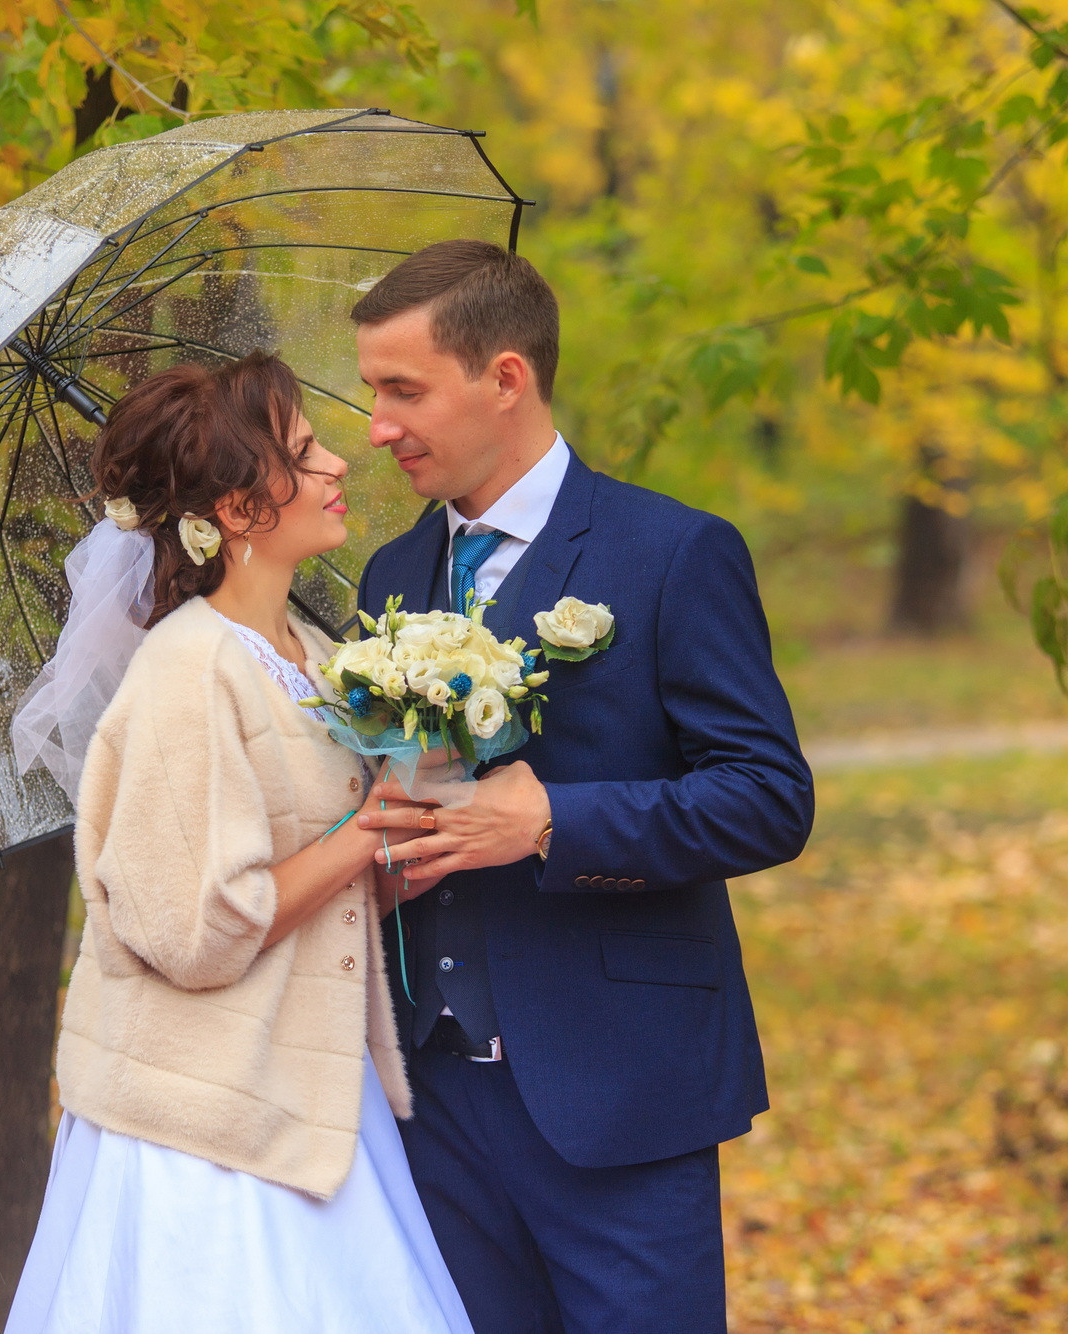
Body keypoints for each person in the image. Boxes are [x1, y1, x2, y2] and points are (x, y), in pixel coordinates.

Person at [350, 241, 816, 1334]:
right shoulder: (386, 574)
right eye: (372, 391)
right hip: (430, 1095)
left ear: (503, 378)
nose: (375, 425)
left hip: (616, 1088)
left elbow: (765, 795)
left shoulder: (672, 552)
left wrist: (554, 820)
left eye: (401, 389)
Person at [3, 354, 472, 1334]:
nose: (340, 462)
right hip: (207, 1127)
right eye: (303, 454)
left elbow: (318, 881)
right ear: (238, 509)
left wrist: (415, 802)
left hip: (305, 1085)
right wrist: (363, 836)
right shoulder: (186, 671)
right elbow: (198, 929)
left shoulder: (307, 653)